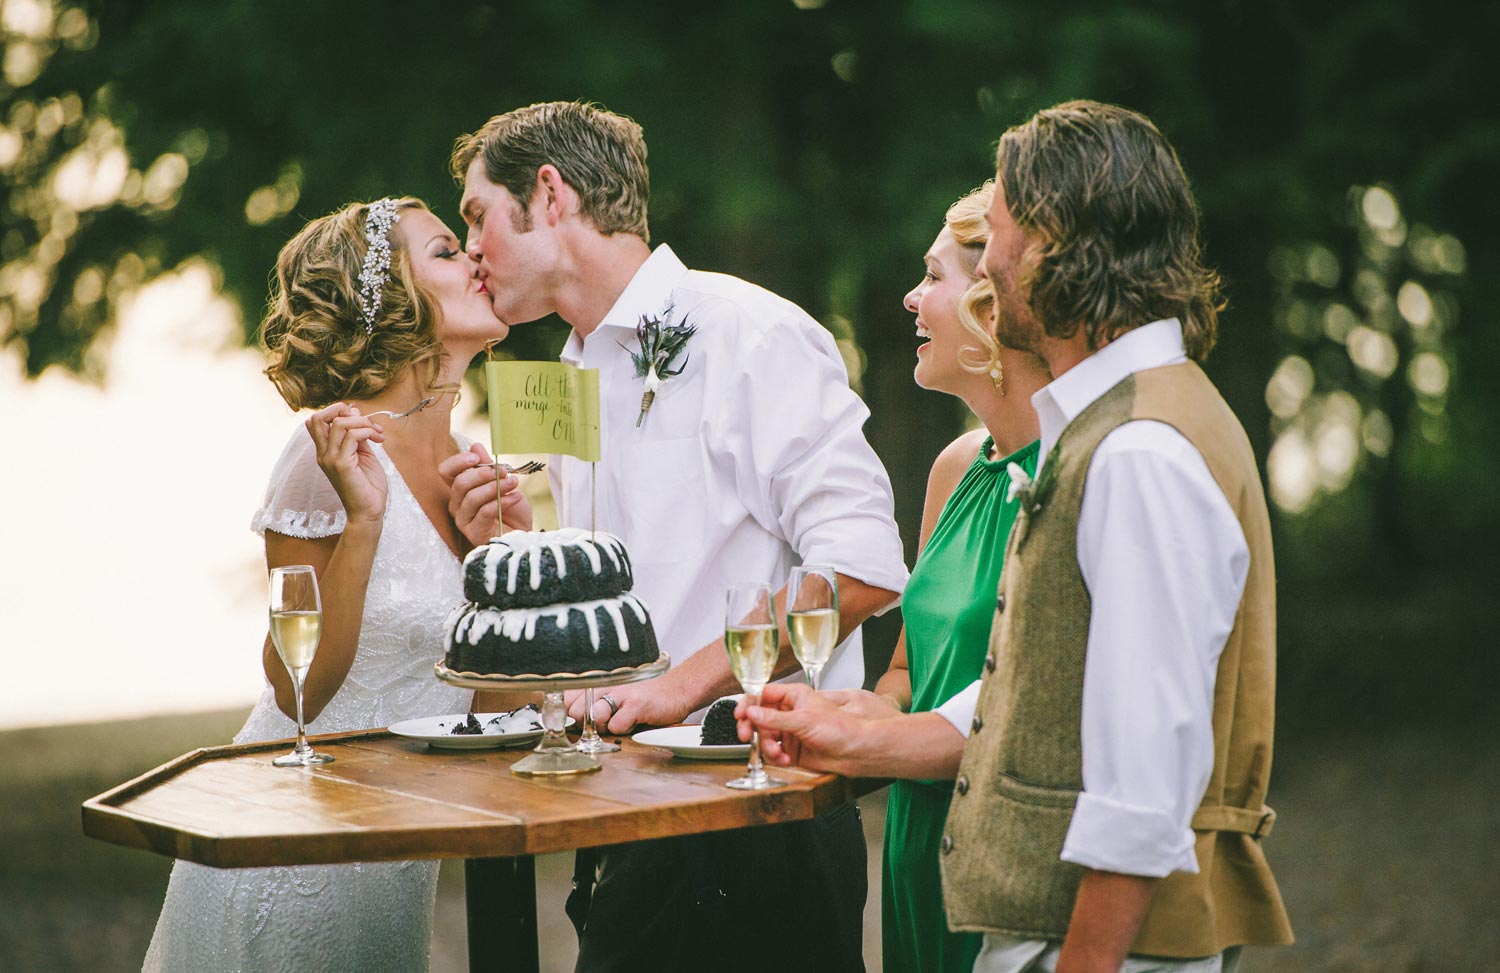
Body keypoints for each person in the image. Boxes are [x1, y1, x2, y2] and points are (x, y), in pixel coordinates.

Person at [743, 100, 1294, 972]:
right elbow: (1050, 689)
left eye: (996, 234)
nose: (987, 268)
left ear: (1051, 243)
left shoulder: (1137, 449)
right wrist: (866, 730)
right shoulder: (1125, 423)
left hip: (1097, 941)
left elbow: (1142, 790)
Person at [443, 100, 908, 972]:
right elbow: (616, 584)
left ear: (549, 195)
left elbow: (863, 567)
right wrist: (514, 539)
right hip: (619, 819)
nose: (470, 248)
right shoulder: (573, 367)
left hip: (757, 812)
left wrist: (681, 687)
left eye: (477, 216)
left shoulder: (749, 333)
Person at [143, 197, 530, 971]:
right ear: (397, 301)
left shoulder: (471, 470)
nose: (478, 260)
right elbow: (298, 692)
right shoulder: (328, 452)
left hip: (397, 863)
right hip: (290, 858)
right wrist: (363, 522)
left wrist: (503, 562)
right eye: (449, 251)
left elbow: (496, 717)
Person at [865, 181, 1048, 973]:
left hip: (1004, 854)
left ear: (993, 305)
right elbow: (909, 668)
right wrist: (865, 710)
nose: (911, 297)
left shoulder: (1073, 479)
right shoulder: (953, 469)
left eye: (934, 277)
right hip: (912, 846)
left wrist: (867, 743)